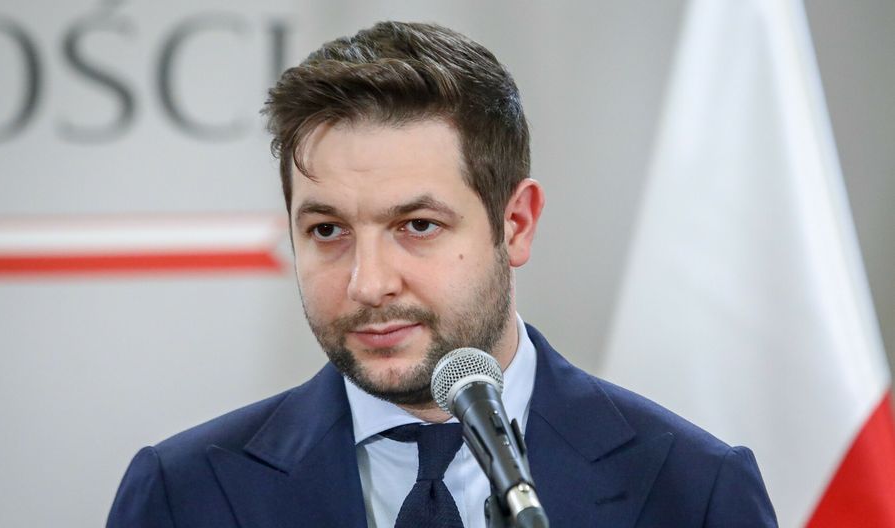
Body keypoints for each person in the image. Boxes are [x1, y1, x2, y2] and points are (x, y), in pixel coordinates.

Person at [107, 21, 777, 527]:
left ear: (516, 224)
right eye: (328, 231)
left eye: (418, 225)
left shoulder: (694, 489)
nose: (368, 284)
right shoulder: (182, 493)